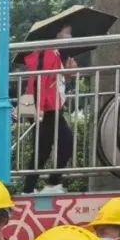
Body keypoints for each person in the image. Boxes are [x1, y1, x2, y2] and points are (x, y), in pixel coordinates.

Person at [23, 24, 77, 193]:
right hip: (44, 107)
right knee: (57, 144)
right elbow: (39, 80)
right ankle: (49, 184)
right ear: (56, 33)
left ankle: (33, 187)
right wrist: (38, 107)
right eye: (67, 32)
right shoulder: (48, 52)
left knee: (44, 149)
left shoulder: (56, 54)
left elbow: (54, 82)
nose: (70, 36)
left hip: (49, 106)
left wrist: (68, 73)